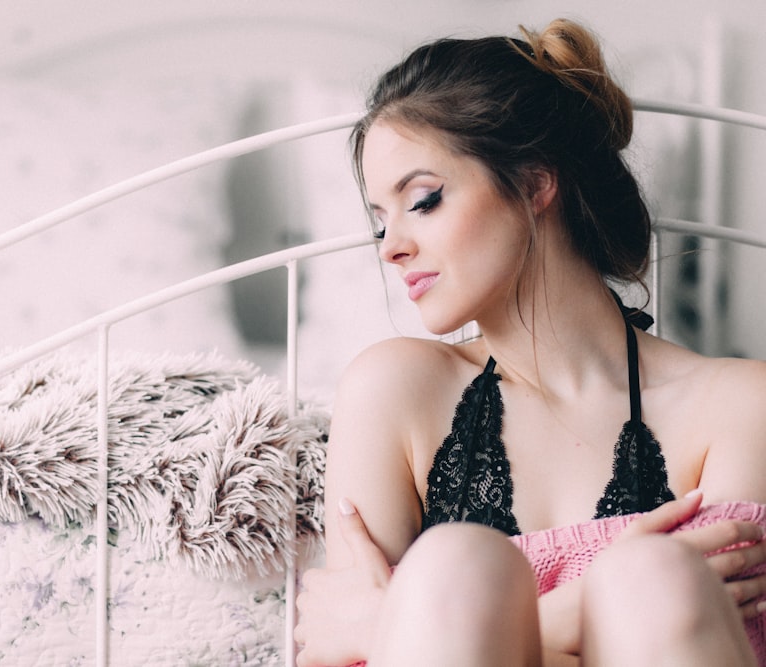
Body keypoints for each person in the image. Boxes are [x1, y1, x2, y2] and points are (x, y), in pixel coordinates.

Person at [293, 18, 766, 667]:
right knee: (460, 563)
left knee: (652, 580)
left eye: (424, 199)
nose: (393, 247)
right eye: (381, 220)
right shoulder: (394, 389)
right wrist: (562, 614)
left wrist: (413, 623)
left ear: (537, 182)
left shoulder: (739, 404)